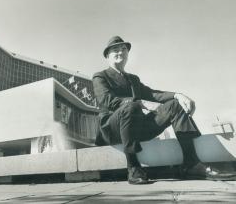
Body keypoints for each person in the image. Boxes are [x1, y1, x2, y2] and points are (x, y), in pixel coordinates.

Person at [92, 36, 226, 184]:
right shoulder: (100, 76)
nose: (120, 52)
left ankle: (191, 163)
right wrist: (139, 102)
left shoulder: (133, 79)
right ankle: (133, 167)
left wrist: (177, 95)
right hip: (112, 130)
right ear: (107, 56)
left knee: (175, 105)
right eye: (115, 49)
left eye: (124, 49)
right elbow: (108, 101)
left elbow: (152, 94)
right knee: (130, 106)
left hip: (136, 127)